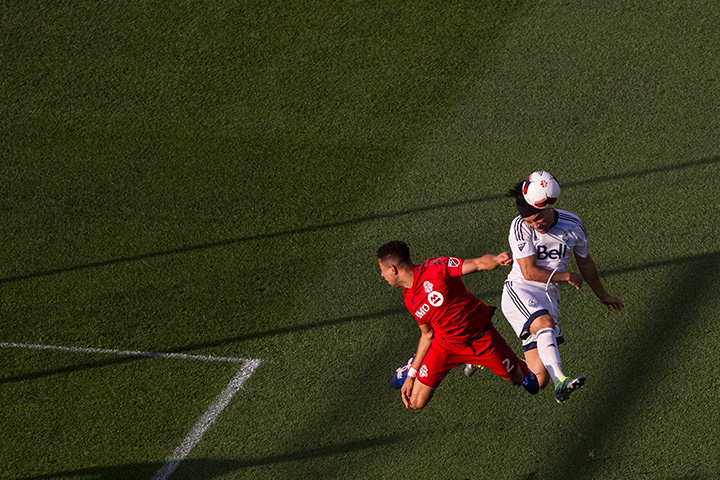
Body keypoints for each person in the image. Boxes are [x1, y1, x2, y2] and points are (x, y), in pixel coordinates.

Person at [485, 174, 624, 403]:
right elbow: (529, 272)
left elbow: (585, 262)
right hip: (521, 290)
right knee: (545, 324)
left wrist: (603, 295)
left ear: (549, 206)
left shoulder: (573, 224)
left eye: (538, 218)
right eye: (531, 221)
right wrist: (565, 275)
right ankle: (561, 381)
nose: (535, 225)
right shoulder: (520, 227)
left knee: (537, 380)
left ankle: (483, 355)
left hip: (549, 297)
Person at [377, 240, 538, 410]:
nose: (382, 275)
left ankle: (514, 363)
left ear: (393, 269)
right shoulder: (409, 299)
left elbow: (477, 264)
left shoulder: (436, 268)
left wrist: (497, 260)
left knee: (519, 381)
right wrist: (411, 375)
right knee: (415, 402)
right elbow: (427, 334)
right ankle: (415, 362)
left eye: (382, 271)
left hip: (481, 341)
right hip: (445, 347)